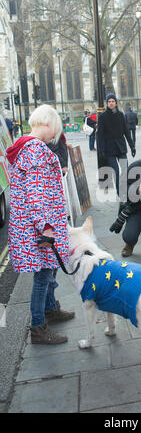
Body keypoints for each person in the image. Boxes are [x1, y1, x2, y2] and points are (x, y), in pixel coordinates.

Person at [6, 104, 74, 345]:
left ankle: (49, 309)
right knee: (44, 275)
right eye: (56, 127)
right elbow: (36, 193)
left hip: (35, 224)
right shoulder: (35, 149)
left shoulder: (26, 146)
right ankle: (38, 326)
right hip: (41, 227)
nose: (56, 133)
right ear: (48, 124)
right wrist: (46, 228)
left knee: (50, 267)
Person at [97, 93, 136, 196]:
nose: (111, 103)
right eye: (109, 102)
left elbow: (126, 132)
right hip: (109, 148)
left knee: (125, 169)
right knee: (116, 171)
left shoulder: (121, 115)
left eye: (113, 101)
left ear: (116, 103)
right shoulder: (102, 116)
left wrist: (132, 146)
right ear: (107, 103)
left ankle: (125, 189)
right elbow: (100, 135)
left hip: (121, 147)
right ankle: (120, 193)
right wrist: (101, 150)